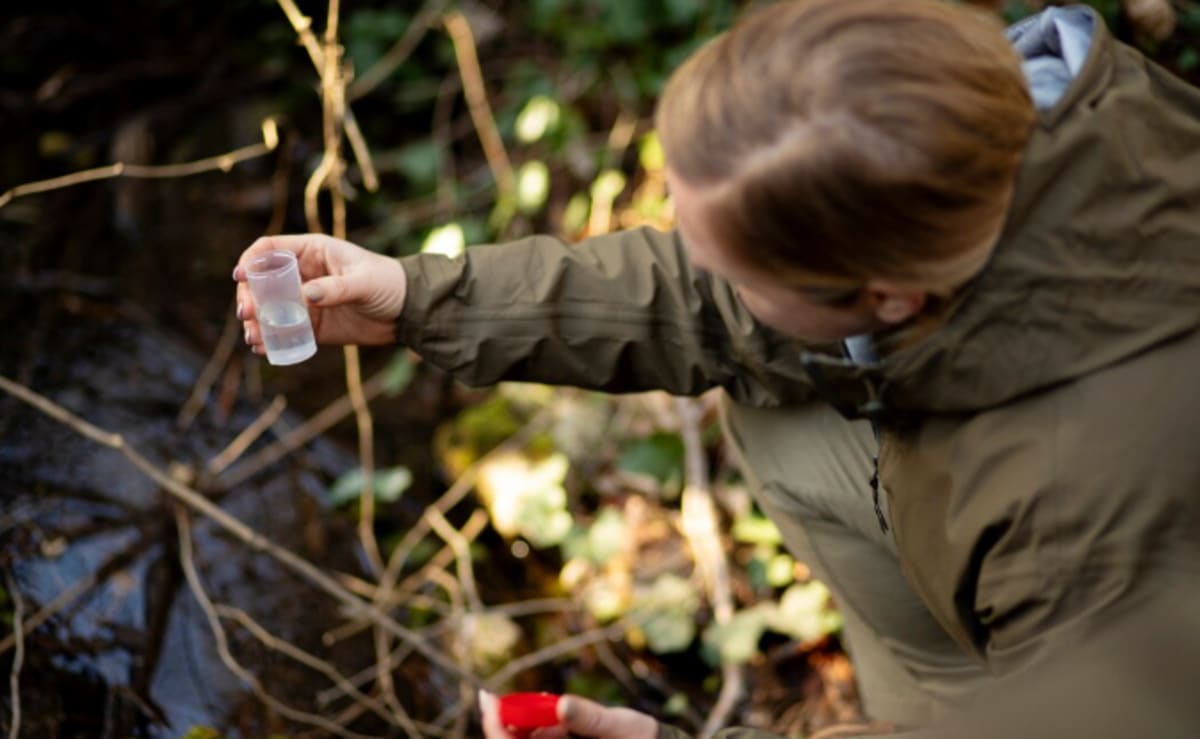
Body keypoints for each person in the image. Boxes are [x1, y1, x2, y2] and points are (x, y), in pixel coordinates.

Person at [234, 0, 1200, 736]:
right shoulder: (1024, 132)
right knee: (778, 414)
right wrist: (418, 295)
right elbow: (708, 301)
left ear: (893, 296)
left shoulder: (1089, 526)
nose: (698, 270)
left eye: (733, 262)